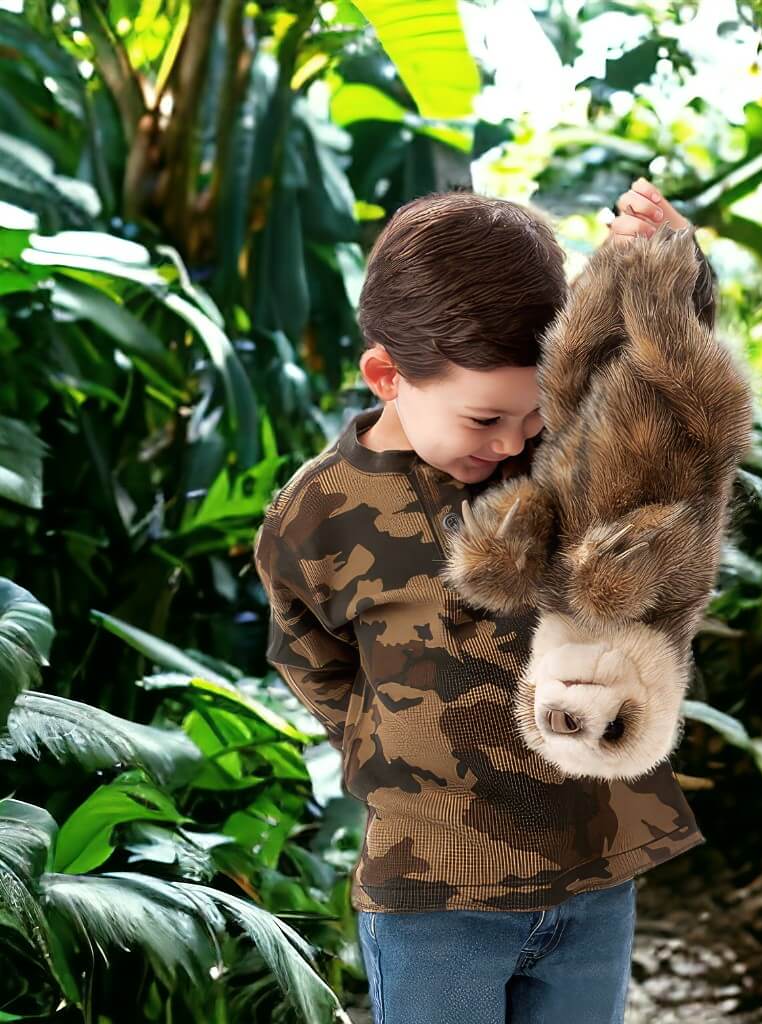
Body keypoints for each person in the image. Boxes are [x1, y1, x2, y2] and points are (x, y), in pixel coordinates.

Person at [252, 179, 701, 1024]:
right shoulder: (317, 514)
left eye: (532, 416)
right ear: (388, 376)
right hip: (432, 896)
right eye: (486, 418)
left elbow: (671, 406)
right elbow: (308, 649)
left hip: (592, 870)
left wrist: (677, 276)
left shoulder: (562, 459)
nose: (511, 442)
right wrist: (392, 748)